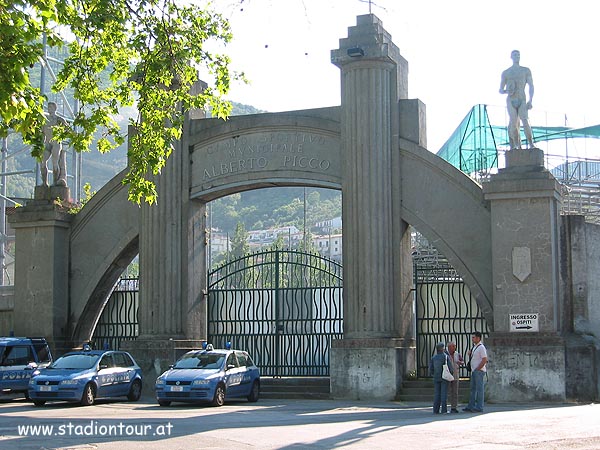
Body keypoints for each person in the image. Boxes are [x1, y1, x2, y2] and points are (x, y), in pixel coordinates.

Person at [499, 50, 535, 150]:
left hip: (522, 98)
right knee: (513, 122)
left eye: (518, 54)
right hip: (511, 99)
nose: (517, 56)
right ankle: (516, 145)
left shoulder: (525, 70)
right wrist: (508, 91)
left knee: (525, 120)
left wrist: (531, 100)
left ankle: (531, 143)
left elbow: (531, 86)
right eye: (514, 55)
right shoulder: (506, 73)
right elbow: (501, 89)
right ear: (511, 57)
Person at [41, 101, 68, 187]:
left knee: (54, 162)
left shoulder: (59, 119)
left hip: (56, 143)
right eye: (48, 107)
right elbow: (42, 132)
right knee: (43, 161)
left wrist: (62, 135)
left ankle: (55, 182)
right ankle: (45, 182)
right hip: (48, 142)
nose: (49, 109)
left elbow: (68, 129)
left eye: (51, 108)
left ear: (55, 108)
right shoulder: (45, 119)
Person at [464, 331, 488, 413]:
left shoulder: (481, 347)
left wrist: (478, 368)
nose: (472, 339)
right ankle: (471, 405)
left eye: (474, 337)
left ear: (478, 338)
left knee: (479, 389)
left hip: (478, 371)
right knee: (473, 389)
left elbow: (484, 359)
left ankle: (479, 407)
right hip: (474, 371)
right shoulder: (475, 347)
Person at [429, 342, 453, 414]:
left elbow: (431, 369)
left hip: (436, 377)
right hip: (444, 377)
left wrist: (433, 374)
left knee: (437, 394)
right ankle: (444, 410)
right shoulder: (445, 356)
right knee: (444, 394)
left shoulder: (434, 358)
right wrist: (450, 374)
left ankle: (435, 410)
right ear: (443, 348)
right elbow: (450, 368)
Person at [445, 341, 464, 413]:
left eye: (454, 346)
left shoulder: (457, 354)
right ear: (449, 347)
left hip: (455, 375)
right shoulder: (445, 354)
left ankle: (454, 407)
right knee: (447, 391)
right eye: (453, 346)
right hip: (447, 375)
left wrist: (460, 362)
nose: (454, 348)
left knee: (455, 392)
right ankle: (445, 407)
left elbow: (462, 362)